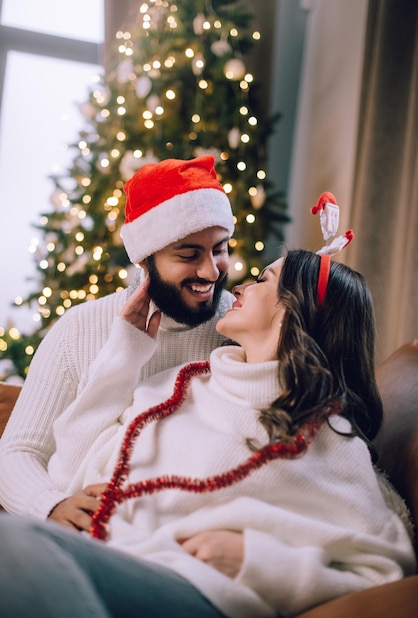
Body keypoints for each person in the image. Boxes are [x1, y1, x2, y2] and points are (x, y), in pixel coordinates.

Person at [0, 249, 415, 618]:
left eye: (263, 280)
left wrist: (258, 561)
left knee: (15, 544)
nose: (239, 285)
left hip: (193, 588)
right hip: (103, 557)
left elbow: (381, 570)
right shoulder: (183, 384)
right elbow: (70, 471)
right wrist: (122, 357)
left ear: (292, 310)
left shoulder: (326, 435)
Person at [0, 155, 236, 525]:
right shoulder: (80, 327)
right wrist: (49, 505)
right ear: (145, 261)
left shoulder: (239, 326)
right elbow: (16, 453)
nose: (210, 271)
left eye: (220, 249)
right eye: (189, 255)